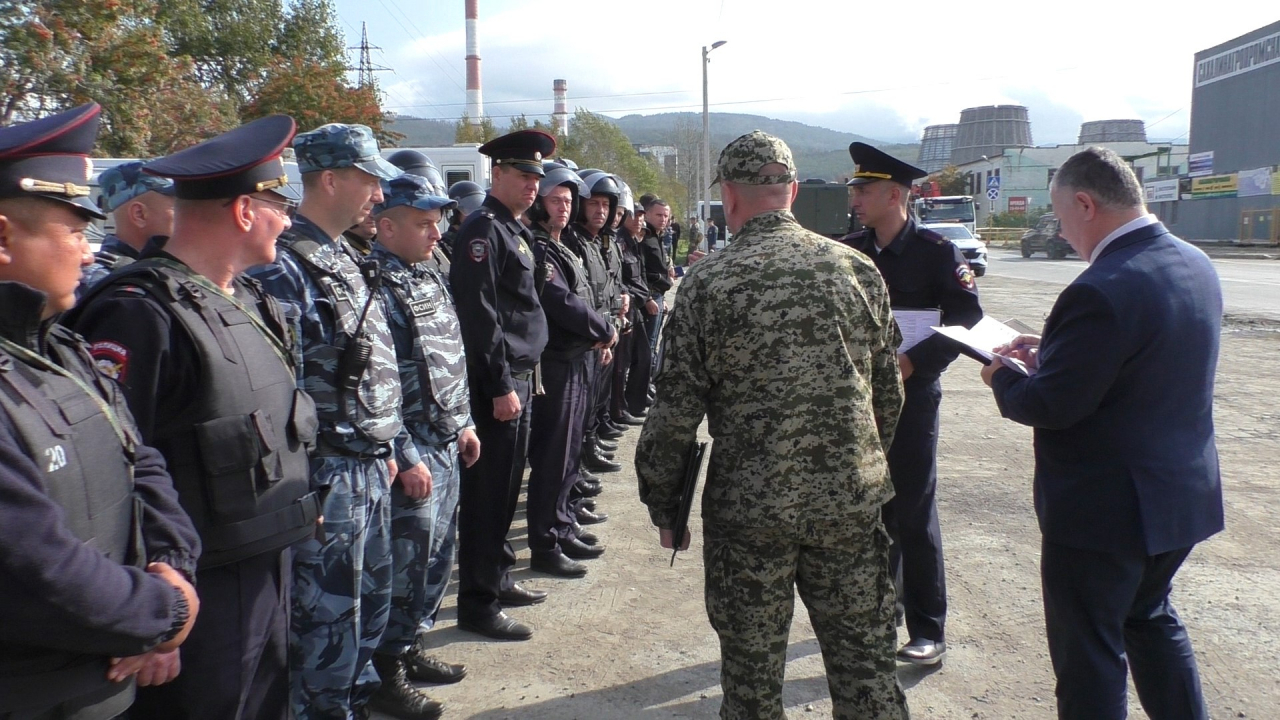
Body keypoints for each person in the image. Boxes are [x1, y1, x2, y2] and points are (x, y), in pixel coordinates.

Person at [637, 130, 909, 720]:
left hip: (750, 512)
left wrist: (665, 503)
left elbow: (674, 411)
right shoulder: (857, 270)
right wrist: (860, 462)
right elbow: (886, 393)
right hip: (848, 504)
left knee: (752, 681)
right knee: (867, 670)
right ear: (789, 188)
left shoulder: (709, 283)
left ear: (729, 197)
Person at [67, 115, 320, 720]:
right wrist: (147, 615)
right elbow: (110, 473)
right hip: (196, 588)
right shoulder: (139, 313)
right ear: (242, 212)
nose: (286, 220)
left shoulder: (251, 301)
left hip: (265, 565)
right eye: (276, 204)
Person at [981, 146, 1222, 720]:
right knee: (1150, 620)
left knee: (1090, 654)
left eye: (1063, 218)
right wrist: (1056, 351)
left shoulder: (1100, 286)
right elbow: (1139, 359)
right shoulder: (1193, 261)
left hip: (1104, 511)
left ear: (1086, 204)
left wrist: (1000, 376)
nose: (1063, 234)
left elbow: (1053, 404)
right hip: (1178, 497)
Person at [0, 102, 201, 719]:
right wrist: (162, 614)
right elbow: (33, 569)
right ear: (4, 239)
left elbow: (140, 460)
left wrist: (172, 567)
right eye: (76, 232)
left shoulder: (59, 346)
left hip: (104, 679)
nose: (90, 254)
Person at [247, 123, 405, 720]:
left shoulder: (344, 255)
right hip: (324, 476)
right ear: (330, 179)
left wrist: (386, 440)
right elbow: (276, 387)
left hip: (365, 464)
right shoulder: (284, 266)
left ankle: (352, 704)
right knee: (322, 625)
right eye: (369, 181)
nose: (378, 196)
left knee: (365, 613)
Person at [840, 141, 983, 665]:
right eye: (854, 189)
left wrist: (912, 362)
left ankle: (928, 626)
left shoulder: (937, 253)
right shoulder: (850, 249)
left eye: (865, 189)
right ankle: (882, 610)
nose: (855, 197)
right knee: (870, 507)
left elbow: (969, 321)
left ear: (896, 195)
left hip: (912, 395)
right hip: (858, 398)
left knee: (913, 509)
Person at [367, 174, 481, 720]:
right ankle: (385, 673)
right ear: (386, 225)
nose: (436, 233)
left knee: (436, 559)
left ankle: (410, 647)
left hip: (445, 441)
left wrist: (464, 422)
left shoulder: (428, 277)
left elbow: (448, 356)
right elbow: (377, 386)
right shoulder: (374, 285)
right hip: (410, 452)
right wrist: (405, 454)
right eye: (423, 223)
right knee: (402, 566)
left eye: (438, 223)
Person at [448, 130, 553, 642]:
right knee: (489, 494)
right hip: (501, 383)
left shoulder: (513, 229)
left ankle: (499, 575)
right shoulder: (481, 231)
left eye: (536, 176)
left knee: (509, 485)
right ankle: (478, 602)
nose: (532, 185)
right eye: (522, 175)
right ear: (496, 174)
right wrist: (496, 386)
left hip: (519, 376)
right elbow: (479, 315)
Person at [525, 167, 615, 579]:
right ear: (540, 202)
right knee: (553, 456)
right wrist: (605, 328)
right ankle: (546, 542)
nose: (563, 208)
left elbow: (588, 296)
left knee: (570, 452)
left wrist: (600, 329)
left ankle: (562, 526)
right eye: (554, 200)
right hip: (559, 363)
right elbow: (561, 302)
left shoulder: (565, 247)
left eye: (567, 201)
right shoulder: (541, 249)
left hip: (580, 357)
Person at [78, 160, 175, 294]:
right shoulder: (100, 281)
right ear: (139, 214)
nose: (186, 217)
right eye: (177, 208)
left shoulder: (161, 268)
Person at [638, 197, 674, 377]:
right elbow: (640, 271)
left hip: (658, 296)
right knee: (646, 345)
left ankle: (647, 382)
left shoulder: (659, 237)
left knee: (653, 343)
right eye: (659, 215)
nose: (663, 219)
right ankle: (642, 387)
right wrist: (648, 298)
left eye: (666, 216)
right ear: (648, 214)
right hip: (649, 297)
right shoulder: (645, 238)